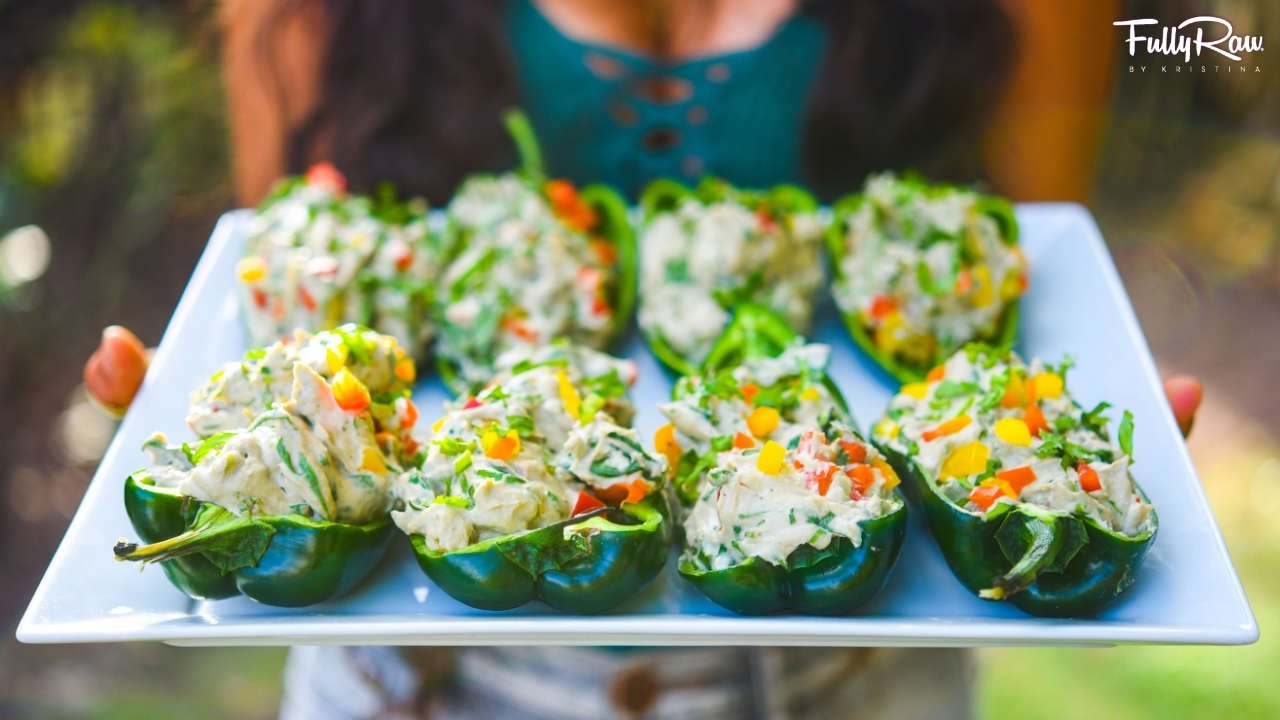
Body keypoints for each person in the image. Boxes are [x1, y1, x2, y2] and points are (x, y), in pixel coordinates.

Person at [82, 1, 1204, 717]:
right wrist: (226, 436)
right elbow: (280, 276)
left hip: (862, 680)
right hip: (397, 684)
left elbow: (1026, 274)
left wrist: (1050, 441)